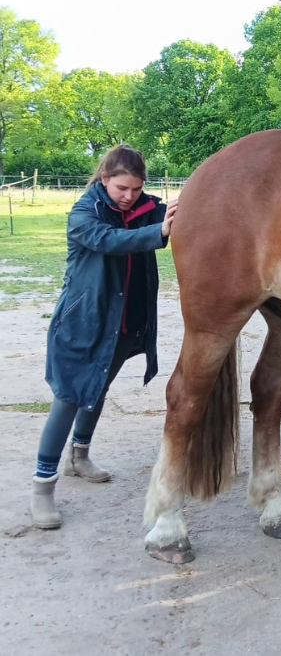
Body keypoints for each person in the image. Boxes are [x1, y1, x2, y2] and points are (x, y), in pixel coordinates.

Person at [30, 145, 177, 529]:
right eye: (121, 188)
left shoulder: (145, 208)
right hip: (84, 324)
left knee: (97, 390)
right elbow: (110, 241)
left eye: (136, 189)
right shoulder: (84, 214)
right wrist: (159, 231)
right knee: (68, 399)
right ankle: (42, 488)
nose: (129, 196)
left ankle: (79, 457)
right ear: (105, 179)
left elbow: (175, 216)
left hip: (123, 325)